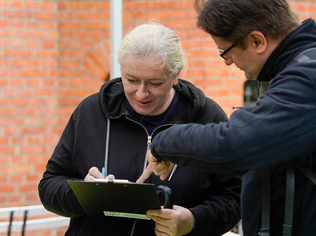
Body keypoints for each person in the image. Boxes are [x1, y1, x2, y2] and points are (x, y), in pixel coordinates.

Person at [137, 0, 316, 236]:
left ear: (257, 41)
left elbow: (235, 144)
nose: (227, 62)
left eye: (226, 51)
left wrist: (163, 142)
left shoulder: (310, 82)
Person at [38, 22, 241, 236]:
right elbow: (49, 185)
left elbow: (233, 199)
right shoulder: (90, 112)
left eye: (155, 83)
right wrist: (84, 194)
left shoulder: (208, 118)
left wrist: (194, 220)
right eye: (131, 80)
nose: (141, 94)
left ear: (175, 76)